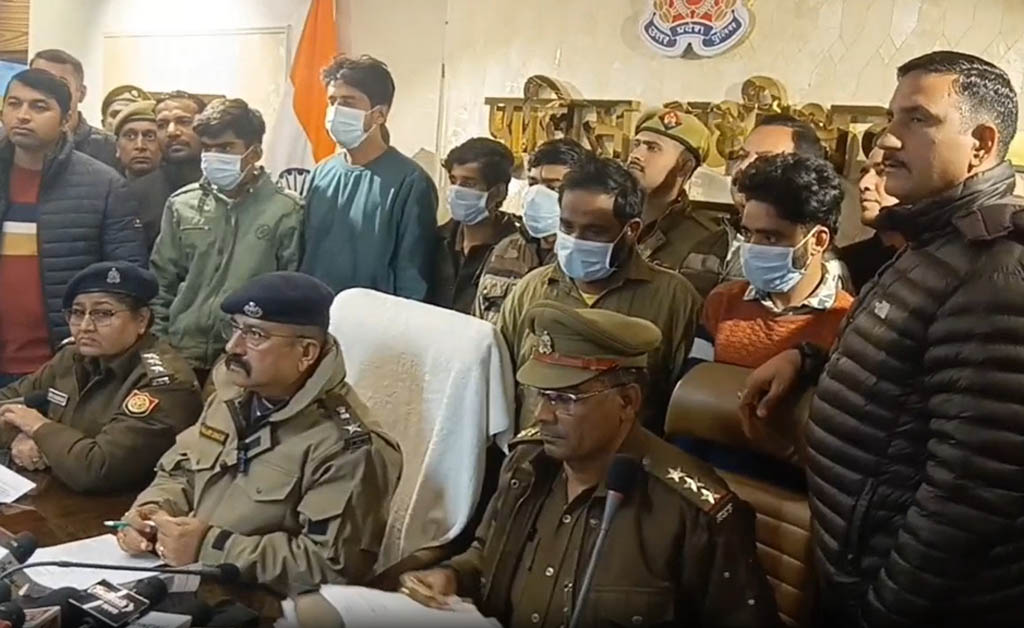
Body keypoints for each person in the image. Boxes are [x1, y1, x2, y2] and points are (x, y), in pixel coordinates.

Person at [740, 51, 1024, 626]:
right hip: (855, 565)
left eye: (918, 120)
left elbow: (972, 493)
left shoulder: (996, 270)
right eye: (892, 117)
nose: (888, 138)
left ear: (981, 144)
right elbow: (905, 370)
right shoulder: (934, 242)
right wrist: (808, 359)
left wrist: (884, 608)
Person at [401, 301, 779, 627]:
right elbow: (487, 555)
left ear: (627, 402)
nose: (542, 414)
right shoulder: (528, 463)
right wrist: (451, 576)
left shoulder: (692, 511)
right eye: (541, 395)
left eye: (565, 399)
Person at [117, 272, 402, 594]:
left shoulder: (347, 446)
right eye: (235, 328)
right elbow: (182, 470)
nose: (232, 346)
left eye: (255, 335)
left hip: (264, 602)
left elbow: (332, 567)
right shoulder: (231, 395)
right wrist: (152, 513)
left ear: (306, 353)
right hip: (191, 577)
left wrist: (209, 546)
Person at [497, 154, 701, 432]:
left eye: (594, 231)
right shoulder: (531, 290)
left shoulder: (673, 299)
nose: (575, 241)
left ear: (631, 230)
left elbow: (680, 404)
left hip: (625, 455)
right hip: (535, 452)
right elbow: (503, 386)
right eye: (567, 227)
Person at [0, 262, 200, 492]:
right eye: (77, 313)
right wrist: (18, 435)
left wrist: (37, 428)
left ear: (142, 320)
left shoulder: (164, 383)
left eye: (103, 314)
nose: (85, 326)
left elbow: (98, 469)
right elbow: (7, 400)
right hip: (56, 490)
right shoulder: (71, 358)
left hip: (124, 506)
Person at [0, 69, 145, 384]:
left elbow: (126, 280)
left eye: (39, 106)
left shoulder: (104, 186)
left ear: (66, 119)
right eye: (14, 104)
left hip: (65, 365)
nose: (22, 115)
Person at [150, 98, 302, 385]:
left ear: (254, 152)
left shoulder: (286, 210)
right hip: (181, 351)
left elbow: (289, 290)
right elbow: (163, 280)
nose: (213, 156)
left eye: (225, 148)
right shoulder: (182, 204)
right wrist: (160, 343)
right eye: (208, 148)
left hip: (246, 355)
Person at [686, 153, 852, 374]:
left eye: (770, 237)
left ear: (818, 241)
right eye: (748, 233)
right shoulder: (722, 302)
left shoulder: (847, 320)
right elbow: (694, 381)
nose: (753, 247)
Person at [301, 54, 438, 299]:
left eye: (348, 102)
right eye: (332, 101)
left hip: (372, 317)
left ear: (379, 114)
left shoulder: (410, 182)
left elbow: (413, 276)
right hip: (313, 311)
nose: (336, 111)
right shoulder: (322, 173)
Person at [681, 114, 828, 296]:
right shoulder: (705, 241)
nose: (743, 167)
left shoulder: (816, 260)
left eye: (765, 159)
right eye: (742, 156)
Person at [473, 138, 587, 324]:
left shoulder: (587, 258)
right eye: (533, 184)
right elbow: (478, 323)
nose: (538, 195)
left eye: (553, 187)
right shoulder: (505, 250)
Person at [628, 108, 725, 272]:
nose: (635, 155)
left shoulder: (704, 239)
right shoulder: (607, 218)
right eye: (636, 145)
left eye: (652, 148)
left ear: (684, 167)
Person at [431, 137, 516, 313]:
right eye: (453, 181)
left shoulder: (518, 250)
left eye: (469, 183)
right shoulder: (436, 241)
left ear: (498, 192)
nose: (456, 191)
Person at [132, 91, 207, 236]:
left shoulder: (226, 185)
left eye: (184, 122)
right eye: (162, 125)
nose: (171, 132)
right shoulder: (137, 194)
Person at [29, 49, 118, 168]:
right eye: (39, 81)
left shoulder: (110, 148)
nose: (48, 90)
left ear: (81, 93)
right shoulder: (11, 141)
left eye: (61, 84)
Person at [838, 140, 905, 293]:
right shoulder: (844, 265)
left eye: (882, 172)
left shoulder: (940, 262)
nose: (864, 184)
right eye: (864, 172)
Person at [113, 101, 161, 180]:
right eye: (130, 136)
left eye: (150, 137)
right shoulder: (103, 184)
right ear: (117, 147)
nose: (140, 146)